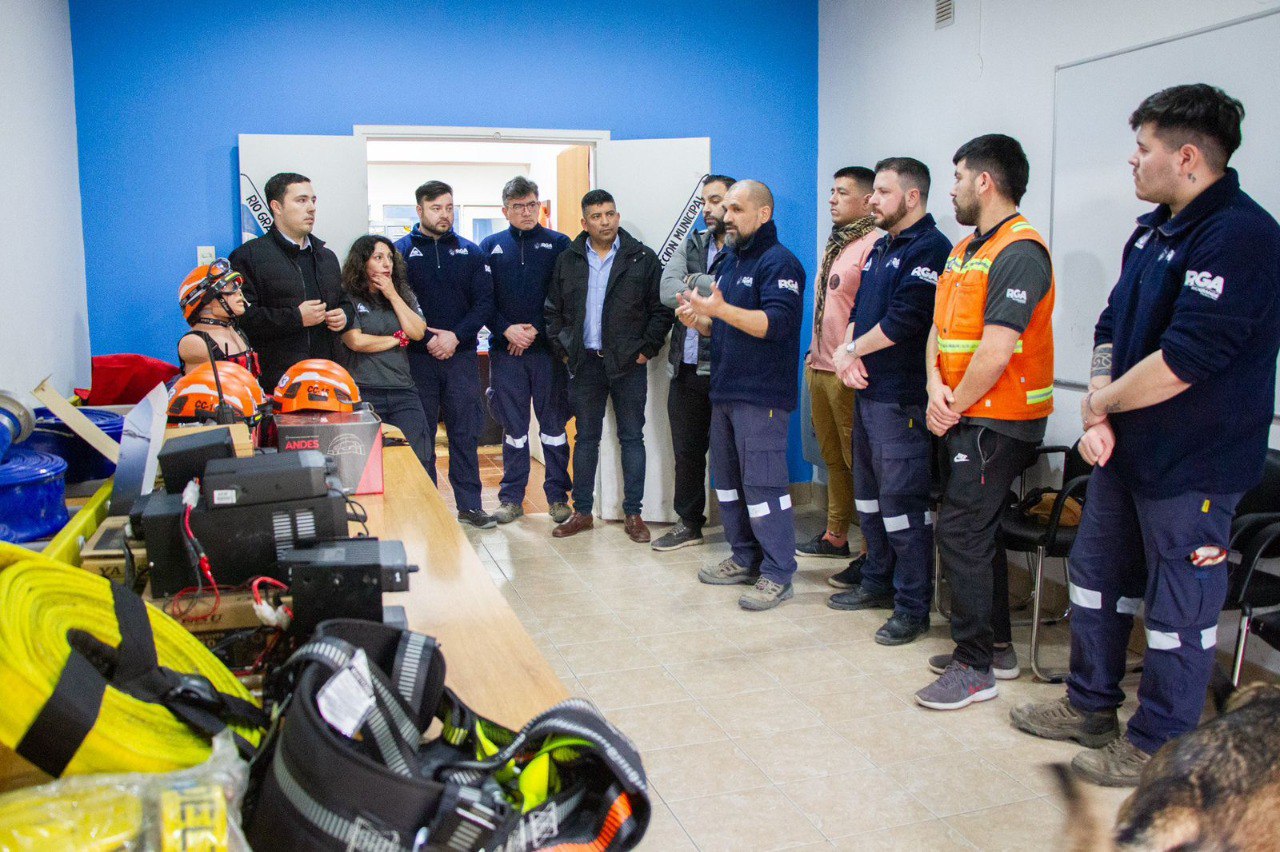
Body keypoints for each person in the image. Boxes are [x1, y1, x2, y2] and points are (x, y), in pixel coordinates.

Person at [1011, 84, 1280, 786]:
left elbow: (1187, 360)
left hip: (1193, 465)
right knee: (1097, 583)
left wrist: (1100, 404)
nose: (1132, 161)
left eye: (1144, 148)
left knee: (1178, 613)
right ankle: (1089, 704)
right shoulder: (1154, 229)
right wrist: (1101, 412)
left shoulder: (1242, 237)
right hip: (1124, 454)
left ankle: (1160, 741)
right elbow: (1109, 327)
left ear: (1187, 156)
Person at [916, 134, 1055, 710]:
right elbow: (938, 330)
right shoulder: (964, 249)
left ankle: (975, 667)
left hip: (1000, 420)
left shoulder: (1020, 251)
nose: (950, 189)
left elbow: (997, 351)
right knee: (978, 531)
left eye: (956, 178)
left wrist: (952, 405)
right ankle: (995, 646)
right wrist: (933, 386)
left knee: (962, 532)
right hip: (964, 410)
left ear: (985, 182)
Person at [828, 158, 951, 645]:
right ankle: (877, 582)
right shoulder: (881, 246)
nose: (871, 200)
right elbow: (861, 311)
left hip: (902, 403)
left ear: (912, 197)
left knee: (903, 509)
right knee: (869, 501)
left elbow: (905, 321)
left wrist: (854, 349)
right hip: (867, 391)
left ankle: (912, 606)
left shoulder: (932, 249)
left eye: (881, 192)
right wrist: (847, 355)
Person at [681, 180, 806, 611]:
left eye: (736, 209)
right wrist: (701, 321)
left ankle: (777, 573)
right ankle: (744, 557)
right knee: (730, 486)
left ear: (763, 214)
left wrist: (718, 311)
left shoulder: (780, 263)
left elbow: (775, 325)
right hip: (726, 390)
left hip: (762, 395)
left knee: (764, 487)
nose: (726, 216)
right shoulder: (730, 261)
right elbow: (727, 324)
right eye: (725, 209)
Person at [544, 189, 672, 542]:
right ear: (584, 222)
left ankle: (634, 513)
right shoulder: (569, 259)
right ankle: (582, 511)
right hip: (585, 364)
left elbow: (661, 309)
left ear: (617, 216)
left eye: (610, 214)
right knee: (586, 439)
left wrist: (646, 349)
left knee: (632, 437)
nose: (605, 221)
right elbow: (552, 311)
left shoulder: (642, 258)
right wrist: (566, 351)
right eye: (597, 216)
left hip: (628, 364)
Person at [394, 181, 497, 529]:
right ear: (419, 210)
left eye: (450, 207)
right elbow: (396, 306)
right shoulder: (399, 254)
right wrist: (427, 340)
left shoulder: (472, 252)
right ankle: (426, 508)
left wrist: (455, 336)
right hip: (417, 360)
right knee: (420, 435)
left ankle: (470, 506)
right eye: (436, 208)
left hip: (462, 357)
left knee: (464, 432)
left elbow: (484, 304)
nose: (444, 214)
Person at [799, 167, 880, 572]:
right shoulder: (837, 244)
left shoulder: (872, 246)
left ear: (867, 200)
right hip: (818, 365)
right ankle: (835, 535)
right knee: (830, 458)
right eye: (831, 190)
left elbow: (865, 314)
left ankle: (870, 549)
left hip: (847, 372)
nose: (832, 198)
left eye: (842, 192)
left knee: (857, 462)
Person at [480, 177, 573, 525]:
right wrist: (506, 330)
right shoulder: (489, 246)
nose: (526, 211)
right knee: (515, 431)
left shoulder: (560, 244)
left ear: (540, 206)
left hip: (547, 353)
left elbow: (565, 296)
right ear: (505, 210)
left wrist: (535, 329)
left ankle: (558, 498)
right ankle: (511, 499)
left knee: (553, 428)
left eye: (532, 204)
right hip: (506, 354)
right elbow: (482, 300)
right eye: (518, 206)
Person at [652, 174, 735, 552]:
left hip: (722, 369)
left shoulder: (745, 249)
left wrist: (695, 283)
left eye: (714, 200)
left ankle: (741, 533)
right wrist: (707, 287)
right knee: (686, 453)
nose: (706, 208)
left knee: (731, 454)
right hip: (684, 369)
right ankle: (689, 524)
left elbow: (735, 297)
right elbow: (667, 289)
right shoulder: (693, 241)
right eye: (703, 201)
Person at [229, 172, 351, 390]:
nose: (312, 208)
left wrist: (344, 316)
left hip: (329, 376)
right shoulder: (248, 256)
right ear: (276, 206)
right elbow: (241, 318)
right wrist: (296, 317)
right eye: (301, 200)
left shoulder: (327, 256)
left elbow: (344, 302)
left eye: (313, 200)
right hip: (277, 381)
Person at [338, 234, 431, 469]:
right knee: (369, 463)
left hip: (402, 389)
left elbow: (418, 331)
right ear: (362, 262)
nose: (386, 263)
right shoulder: (348, 295)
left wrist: (392, 295)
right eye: (378, 257)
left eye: (389, 257)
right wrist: (397, 339)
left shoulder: (402, 293)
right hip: (365, 390)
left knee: (419, 457)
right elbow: (355, 341)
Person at [177, 259, 260, 378]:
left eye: (236, 286)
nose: (239, 292)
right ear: (205, 299)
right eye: (228, 287)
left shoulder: (236, 331)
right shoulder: (195, 343)